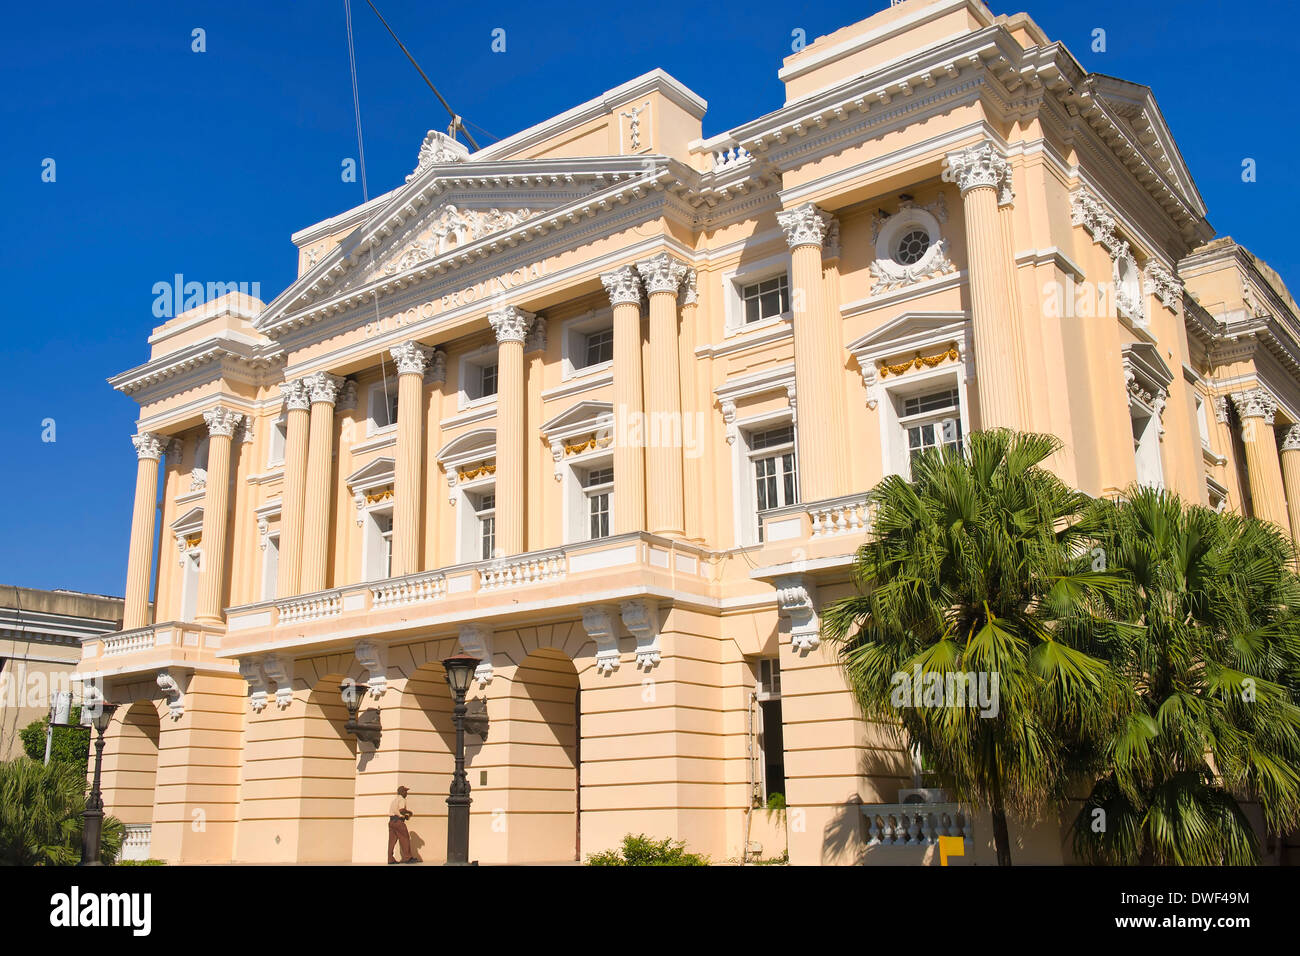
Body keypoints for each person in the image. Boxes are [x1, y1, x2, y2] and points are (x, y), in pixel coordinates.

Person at [388, 785, 416, 864]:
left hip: (391, 822)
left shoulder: (394, 800)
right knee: (405, 838)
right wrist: (409, 812)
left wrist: (405, 817)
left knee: (391, 841)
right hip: (398, 823)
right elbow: (401, 810)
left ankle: (390, 859)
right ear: (402, 792)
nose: (406, 793)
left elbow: (396, 812)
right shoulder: (402, 799)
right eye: (405, 791)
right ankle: (408, 858)